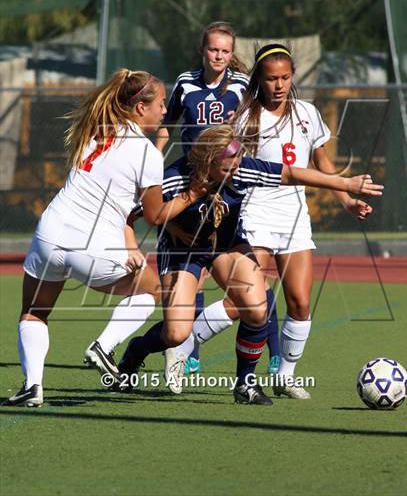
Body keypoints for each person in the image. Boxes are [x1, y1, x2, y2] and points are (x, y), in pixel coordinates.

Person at [113, 124, 383, 405]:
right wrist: (144, 244)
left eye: (239, 159)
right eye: (229, 164)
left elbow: (291, 173)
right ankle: (137, 349)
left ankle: (245, 383)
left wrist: (346, 185)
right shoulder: (173, 178)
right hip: (183, 253)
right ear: (208, 161)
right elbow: (128, 216)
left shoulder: (242, 168)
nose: (238, 167)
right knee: (176, 333)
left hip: (226, 245)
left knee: (256, 307)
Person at [169, 43, 376, 399]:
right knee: (246, 300)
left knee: (299, 301)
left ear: (292, 77)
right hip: (255, 212)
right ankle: (182, 345)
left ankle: (285, 375)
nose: (278, 85)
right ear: (259, 80)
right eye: (270, 79)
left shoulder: (308, 113)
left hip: (295, 216)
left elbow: (322, 164)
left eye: (284, 78)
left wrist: (345, 200)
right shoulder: (245, 117)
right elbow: (223, 162)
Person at [5, 69, 199, 407]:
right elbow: (154, 215)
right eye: (161, 104)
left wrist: (128, 243)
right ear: (140, 108)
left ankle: (32, 386)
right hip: (90, 246)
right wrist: (195, 192)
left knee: (33, 313)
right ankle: (103, 346)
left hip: (49, 233)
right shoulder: (147, 155)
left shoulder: (98, 130)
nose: (166, 110)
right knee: (151, 290)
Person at [156, 21, 248, 375]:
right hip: (192, 178)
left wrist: (235, 142)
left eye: (226, 51)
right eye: (214, 50)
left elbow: (250, 129)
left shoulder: (241, 86)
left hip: (225, 183)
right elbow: (167, 124)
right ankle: (182, 346)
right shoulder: (185, 83)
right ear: (202, 50)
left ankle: (189, 345)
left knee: (224, 261)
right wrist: (154, 159)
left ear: (231, 53)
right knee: (190, 255)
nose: (220, 56)